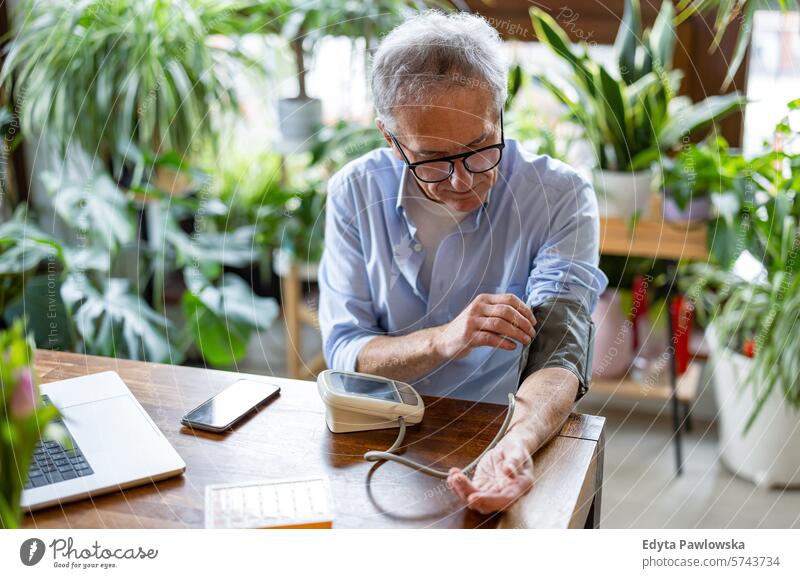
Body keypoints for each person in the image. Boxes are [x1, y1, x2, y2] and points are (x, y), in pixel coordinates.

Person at [317, 10, 608, 514]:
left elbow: (560, 349)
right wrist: (445, 339)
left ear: (501, 113)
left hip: (504, 425)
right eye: (432, 159)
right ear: (391, 140)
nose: (461, 181)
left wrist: (515, 446)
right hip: (380, 432)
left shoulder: (561, 196)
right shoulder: (355, 191)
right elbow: (345, 349)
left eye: (479, 148)